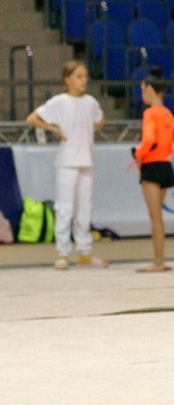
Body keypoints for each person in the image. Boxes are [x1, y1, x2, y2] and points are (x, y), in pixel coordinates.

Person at [25, 60, 108, 269]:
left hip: (86, 160)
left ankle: (84, 252)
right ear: (67, 80)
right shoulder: (59, 102)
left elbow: (101, 120)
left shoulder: (90, 102)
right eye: (79, 77)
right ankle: (62, 252)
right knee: (65, 207)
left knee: (84, 209)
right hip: (67, 162)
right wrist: (55, 130)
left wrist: (86, 132)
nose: (84, 81)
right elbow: (32, 119)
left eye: (85, 76)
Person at [133, 67, 174, 273]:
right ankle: (160, 259)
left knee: (155, 216)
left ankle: (158, 261)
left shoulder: (150, 113)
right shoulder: (168, 114)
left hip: (151, 165)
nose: (142, 95)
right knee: (158, 216)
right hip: (165, 164)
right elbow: (168, 146)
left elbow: (149, 139)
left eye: (143, 90)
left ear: (150, 89)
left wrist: (138, 154)